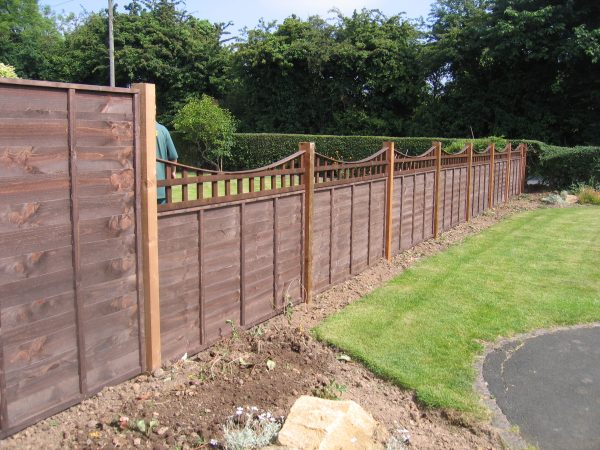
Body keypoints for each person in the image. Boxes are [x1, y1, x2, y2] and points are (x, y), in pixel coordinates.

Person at [156, 122, 178, 204]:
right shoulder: (163, 130)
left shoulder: (137, 129)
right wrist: (173, 172)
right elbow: (173, 156)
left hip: (140, 188)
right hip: (161, 187)